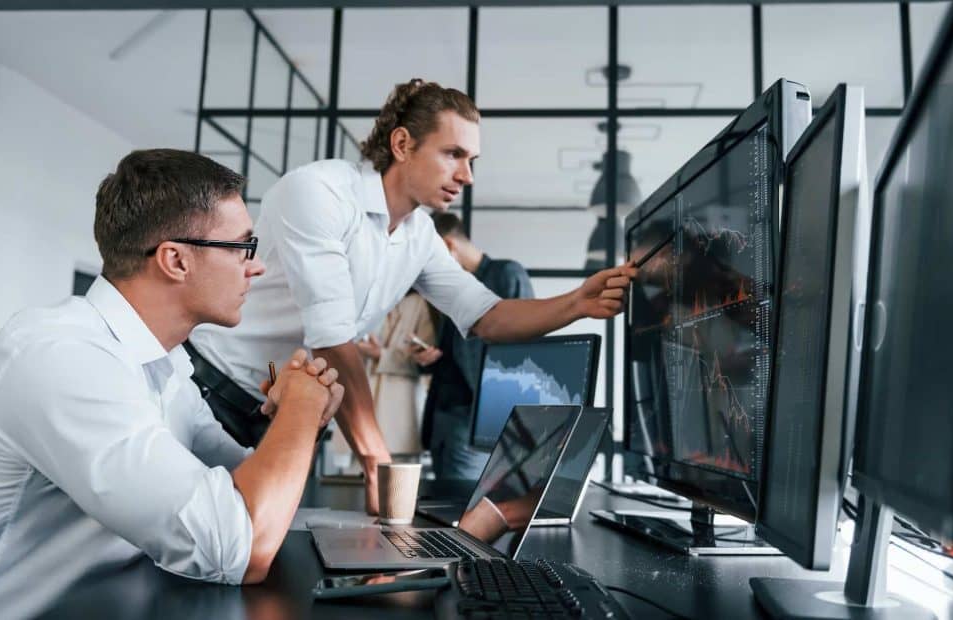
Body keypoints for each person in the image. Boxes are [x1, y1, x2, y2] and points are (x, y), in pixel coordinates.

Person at [190, 78, 637, 515]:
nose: (467, 176)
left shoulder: (420, 235)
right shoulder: (320, 192)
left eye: (471, 159)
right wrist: (377, 462)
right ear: (402, 144)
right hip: (217, 394)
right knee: (191, 561)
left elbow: (487, 316)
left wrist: (578, 303)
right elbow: (332, 339)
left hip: (288, 414)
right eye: (453, 154)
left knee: (262, 559)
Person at [0, 150, 344, 619]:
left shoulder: (162, 362)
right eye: (243, 247)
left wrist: (295, 417)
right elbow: (240, 548)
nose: (257, 267)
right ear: (176, 261)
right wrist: (302, 407)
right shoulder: (61, 356)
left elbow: (244, 489)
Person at [417, 211, 533, 480]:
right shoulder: (451, 290)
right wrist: (425, 359)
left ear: (447, 246)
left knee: (464, 509)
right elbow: (450, 354)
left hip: (474, 420)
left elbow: (523, 351)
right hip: (441, 420)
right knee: (443, 505)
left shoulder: (506, 273)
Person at [355, 290, 438, 456]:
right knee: (356, 472)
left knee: (399, 472)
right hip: (363, 402)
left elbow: (425, 361)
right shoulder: (368, 297)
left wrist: (381, 355)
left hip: (399, 408)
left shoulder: (419, 303)